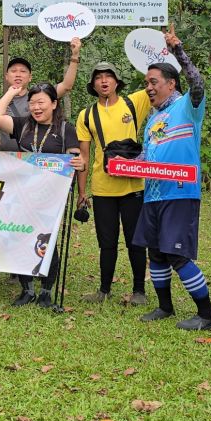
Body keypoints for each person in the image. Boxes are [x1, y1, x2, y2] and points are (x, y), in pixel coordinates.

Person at [134, 24, 211, 331]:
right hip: (153, 195)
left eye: (153, 82)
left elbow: (198, 83)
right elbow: (147, 156)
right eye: (146, 83)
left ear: (171, 84)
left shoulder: (188, 107)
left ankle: (208, 314)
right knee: (155, 252)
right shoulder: (153, 119)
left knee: (176, 254)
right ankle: (164, 307)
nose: (148, 87)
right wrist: (126, 162)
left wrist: (179, 51)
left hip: (180, 193)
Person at [0, 82, 86, 307]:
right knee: (20, 237)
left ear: (54, 103)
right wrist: (12, 92)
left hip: (52, 196)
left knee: (46, 241)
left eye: (41, 102)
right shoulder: (23, 125)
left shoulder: (65, 129)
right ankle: (27, 289)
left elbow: (76, 159)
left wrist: (79, 162)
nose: (36, 107)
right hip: (22, 194)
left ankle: (45, 291)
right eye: (32, 103)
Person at [75, 61, 151, 305]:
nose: (104, 81)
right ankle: (104, 290)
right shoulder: (86, 115)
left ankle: (139, 290)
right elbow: (84, 157)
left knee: (135, 240)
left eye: (109, 76)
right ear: (93, 84)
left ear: (117, 81)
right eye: (99, 78)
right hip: (103, 188)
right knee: (106, 242)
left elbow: (160, 82)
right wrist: (82, 192)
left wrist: (166, 48)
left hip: (133, 186)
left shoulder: (134, 103)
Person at [0, 36, 80, 152]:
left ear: (30, 77)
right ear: (6, 76)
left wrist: (74, 57)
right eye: (13, 71)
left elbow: (66, 86)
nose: (18, 74)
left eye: (23, 71)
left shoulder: (39, 96)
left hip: (37, 157)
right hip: (8, 161)